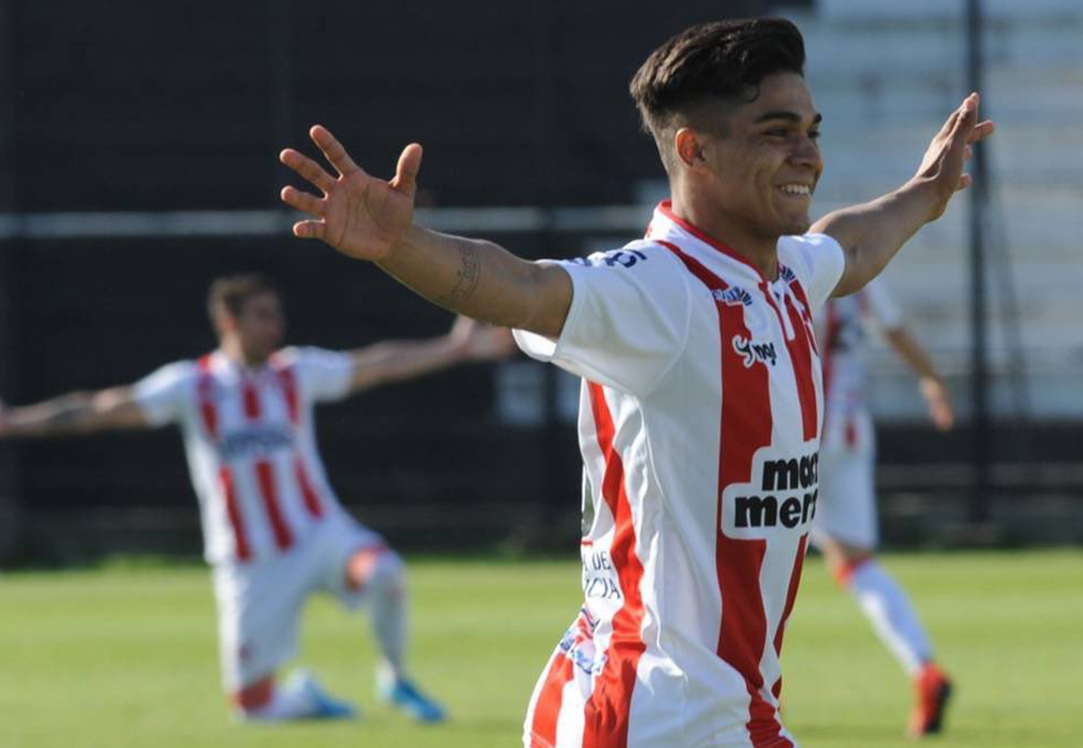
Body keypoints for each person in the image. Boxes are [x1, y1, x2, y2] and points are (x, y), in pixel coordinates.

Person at [277, 16, 993, 748]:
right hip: (659, 712)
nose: (807, 153)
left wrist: (927, 191)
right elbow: (524, 288)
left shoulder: (782, 275)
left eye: (811, 130)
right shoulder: (661, 288)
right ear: (695, 149)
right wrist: (403, 246)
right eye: (777, 132)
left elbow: (852, 246)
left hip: (700, 705)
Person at [0, 273, 514, 724]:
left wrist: (454, 349)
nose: (277, 324)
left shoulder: (294, 372)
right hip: (249, 559)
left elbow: (375, 364)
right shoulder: (194, 386)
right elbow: (101, 407)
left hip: (318, 533)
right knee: (253, 708)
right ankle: (307, 698)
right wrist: (12, 421)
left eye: (277, 312)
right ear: (230, 321)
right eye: (263, 315)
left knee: (385, 572)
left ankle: (394, 678)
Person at [813, 278, 956, 737]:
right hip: (852, 429)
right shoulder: (855, 265)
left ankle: (749, 690)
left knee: (756, 557)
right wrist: (932, 378)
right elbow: (894, 329)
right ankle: (924, 669)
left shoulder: (787, 262)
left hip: (802, 430)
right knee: (856, 565)